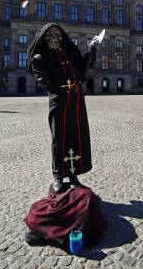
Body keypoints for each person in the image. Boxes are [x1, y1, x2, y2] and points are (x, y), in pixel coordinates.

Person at [28, 23, 97, 193]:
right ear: (44, 37)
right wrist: (71, 81)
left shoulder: (70, 52)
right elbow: (47, 83)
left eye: (58, 34)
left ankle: (73, 176)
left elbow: (81, 69)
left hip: (76, 100)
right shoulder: (39, 58)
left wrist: (91, 51)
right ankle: (58, 176)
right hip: (59, 102)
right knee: (59, 139)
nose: (55, 38)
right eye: (51, 34)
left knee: (77, 136)